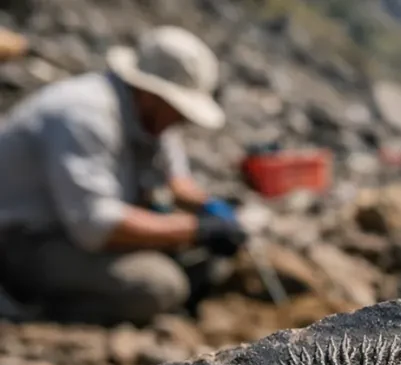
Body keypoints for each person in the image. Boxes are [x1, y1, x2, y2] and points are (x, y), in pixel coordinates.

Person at [0, 26, 246, 326]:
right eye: (179, 110)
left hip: (71, 228)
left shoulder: (150, 117)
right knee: (159, 285)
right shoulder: (85, 115)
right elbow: (95, 226)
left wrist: (212, 209)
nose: (182, 121)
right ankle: (37, 309)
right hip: (23, 238)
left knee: (199, 260)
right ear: (149, 92)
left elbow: (175, 180)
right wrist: (196, 230)